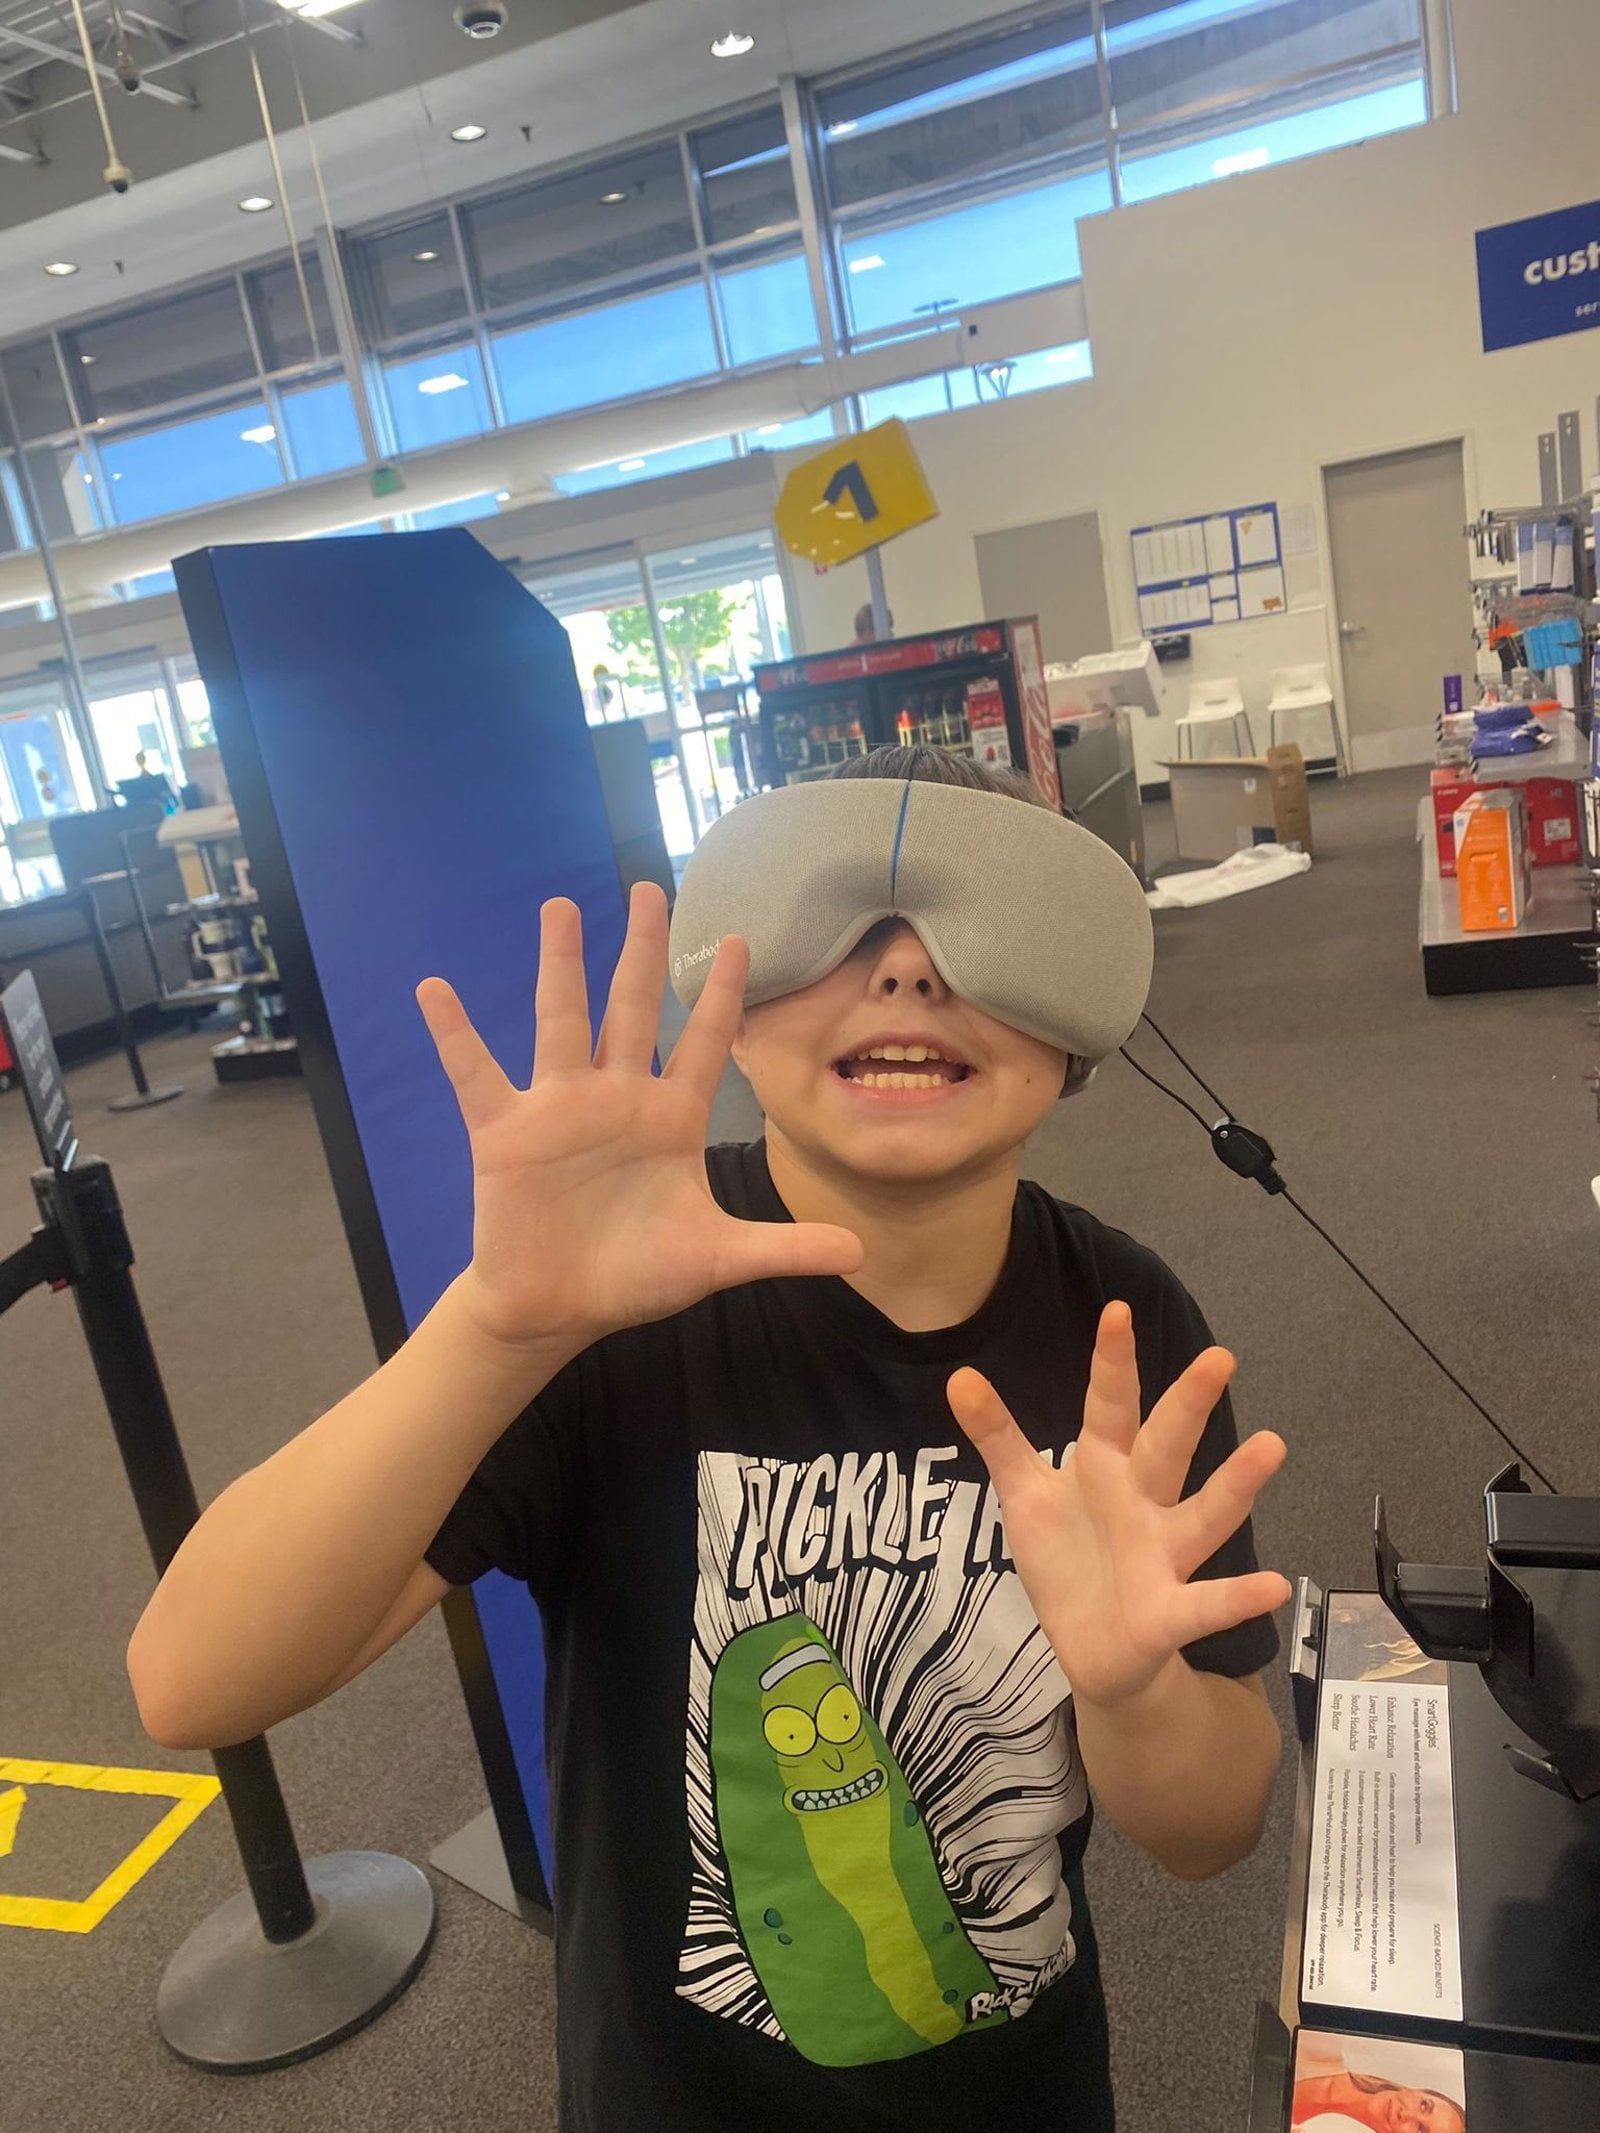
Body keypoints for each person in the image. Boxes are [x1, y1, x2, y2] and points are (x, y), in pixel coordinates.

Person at [126, 746, 1290, 2131]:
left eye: (980, 928)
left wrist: (1134, 1688)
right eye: (841, 925)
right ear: (729, 1004)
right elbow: (190, 1679)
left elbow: (1213, 1830)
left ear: (1077, 1025)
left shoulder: (1120, 1330)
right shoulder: (617, 1323)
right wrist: (500, 1326)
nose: (909, 975)